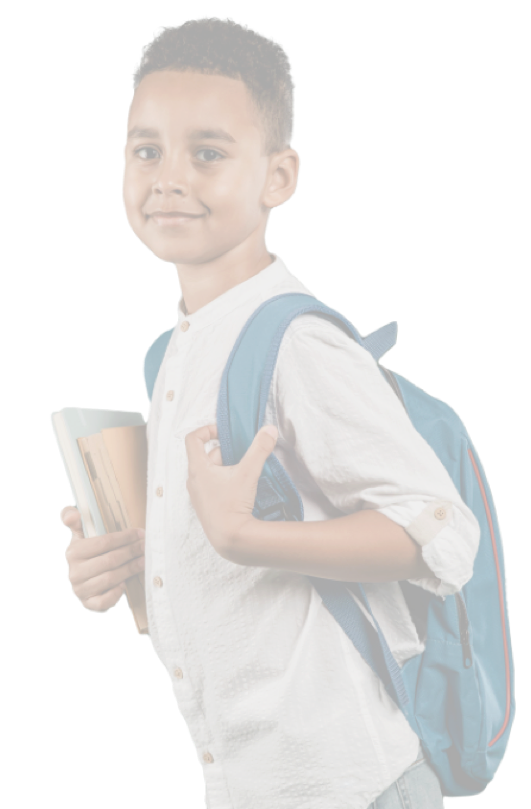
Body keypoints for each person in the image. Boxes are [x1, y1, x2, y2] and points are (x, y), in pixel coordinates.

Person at [62, 18, 480, 809]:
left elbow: (445, 534)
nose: (167, 178)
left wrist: (243, 538)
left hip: (349, 785)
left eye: (208, 154)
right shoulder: (173, 350)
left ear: (278, 177)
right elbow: (210, 552)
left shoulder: (295, 341)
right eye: (145, 150)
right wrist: (121, 568)